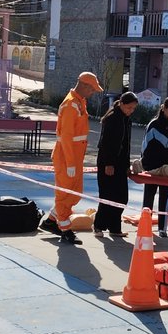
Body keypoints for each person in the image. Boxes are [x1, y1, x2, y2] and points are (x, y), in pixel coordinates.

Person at [48, 72, 103, 245]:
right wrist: (70, 163)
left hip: (74, 158)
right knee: (65, 194)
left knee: (74, 193)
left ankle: (51, 220)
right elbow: (66, 136)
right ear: (85, 86)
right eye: (92, 89)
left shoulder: (78, 102)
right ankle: (65, 230)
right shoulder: (71, 104)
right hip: (67, 158)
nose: (93, 93)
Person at [94, 92, 137, 237]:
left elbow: (125, 145)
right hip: (108, 162)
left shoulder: (126, 119)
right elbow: (106, 143)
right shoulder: (112, 118)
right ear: (122, 104)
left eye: (133, 109)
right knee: (107, 195)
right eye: (129, 107)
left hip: (120, 163)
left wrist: (127, 165)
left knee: (121, 197)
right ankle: (99, 226)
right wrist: (108, 163)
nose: (131, 111)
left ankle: (114, 228)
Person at [141, 97, 168, 237]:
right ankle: (145, 225)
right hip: (153, 166)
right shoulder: (153, 125)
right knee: (149, 195)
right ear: (163, 108)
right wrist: (145, 164)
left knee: (166, 196)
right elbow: (145, 146)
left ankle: (162, 228)